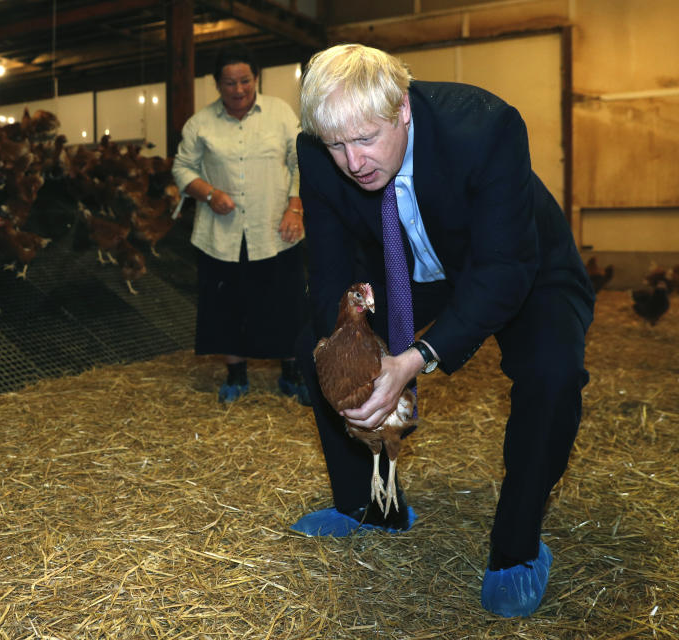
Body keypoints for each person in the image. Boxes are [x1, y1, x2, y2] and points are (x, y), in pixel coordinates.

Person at [290, 43, 595, 618]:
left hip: (516, 258)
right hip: (404, 262)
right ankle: (370, 506)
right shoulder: (315, 148)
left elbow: (505, 269)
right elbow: (328, 263)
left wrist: (415, 358)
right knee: (315, 346)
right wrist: (343, 337)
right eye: (337, 145)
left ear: (402, 107)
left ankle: (517, 547)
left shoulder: (485, 126)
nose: (353, 162)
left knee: (551, 374)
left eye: (366, 139)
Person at [172, 43, 310, 405]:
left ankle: (291, 374)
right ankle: (236, 376)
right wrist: (208, 193)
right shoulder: (200, 124)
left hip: (276, 230)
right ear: (217, 84)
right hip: (222, 234)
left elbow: (302, 163)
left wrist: (295, 207)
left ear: (256, 78)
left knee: (286, 303)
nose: (238, 90)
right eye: (229, 83)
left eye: (244, 81)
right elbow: (182, 168)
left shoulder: (280, 114)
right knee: (226, 306)